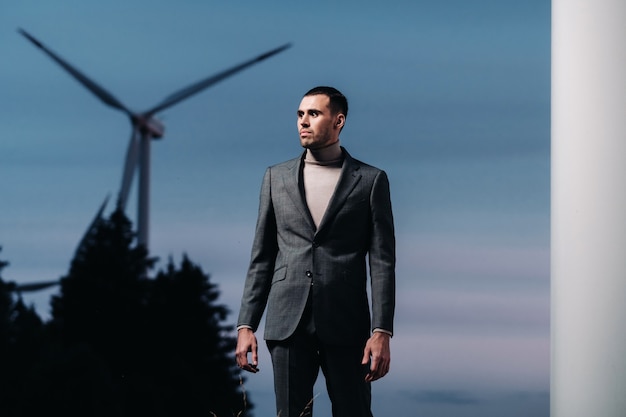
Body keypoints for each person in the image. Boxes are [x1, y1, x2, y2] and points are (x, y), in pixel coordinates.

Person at [235, 86, 395, 417]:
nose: (303, 122)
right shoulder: (274, 178)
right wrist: (245, 325)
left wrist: (382, 331)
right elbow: (262, 257)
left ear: (338, 121)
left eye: (313, 114)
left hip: (347, 320)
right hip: (286, 321)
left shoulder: (370, 181)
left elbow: (382, 263)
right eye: (299, 114)